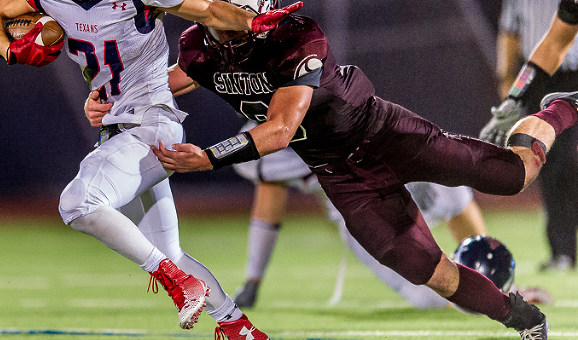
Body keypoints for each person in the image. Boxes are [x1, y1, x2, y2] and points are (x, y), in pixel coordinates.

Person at [145, 0, 578, 340]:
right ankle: (523, 319)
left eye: (234, 25)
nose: (225, 37)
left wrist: (207, 158)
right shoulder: (199, 47)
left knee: (511, 176)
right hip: (340, 173)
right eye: (216, 24)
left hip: (383, 133)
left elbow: (280, 129)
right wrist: (113, 99)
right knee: (421, 267)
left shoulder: (296, 36)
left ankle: (561, 108)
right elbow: (174, 79)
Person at [0, 0, 297, 340]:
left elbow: (207, 11)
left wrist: (254, 25)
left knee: (79, 203)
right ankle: (241, 332)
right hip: (120, 126)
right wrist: (11, 50)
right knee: (169, 250)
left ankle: (174, 282)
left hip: (153, 124)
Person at [230, 136, 552, 309]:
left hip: (399, 174)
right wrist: (253, 281)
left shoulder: (332, 93)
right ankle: (477, 290)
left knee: (447, 179)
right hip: (361, 212)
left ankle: (488, 279)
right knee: (431, 296)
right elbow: (269, 199)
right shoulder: (268, 131)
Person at [481, 0, 578, 272]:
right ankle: (563, 251)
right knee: (551, 158)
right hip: (556, 85)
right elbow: (552, 45)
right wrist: (516, 94)